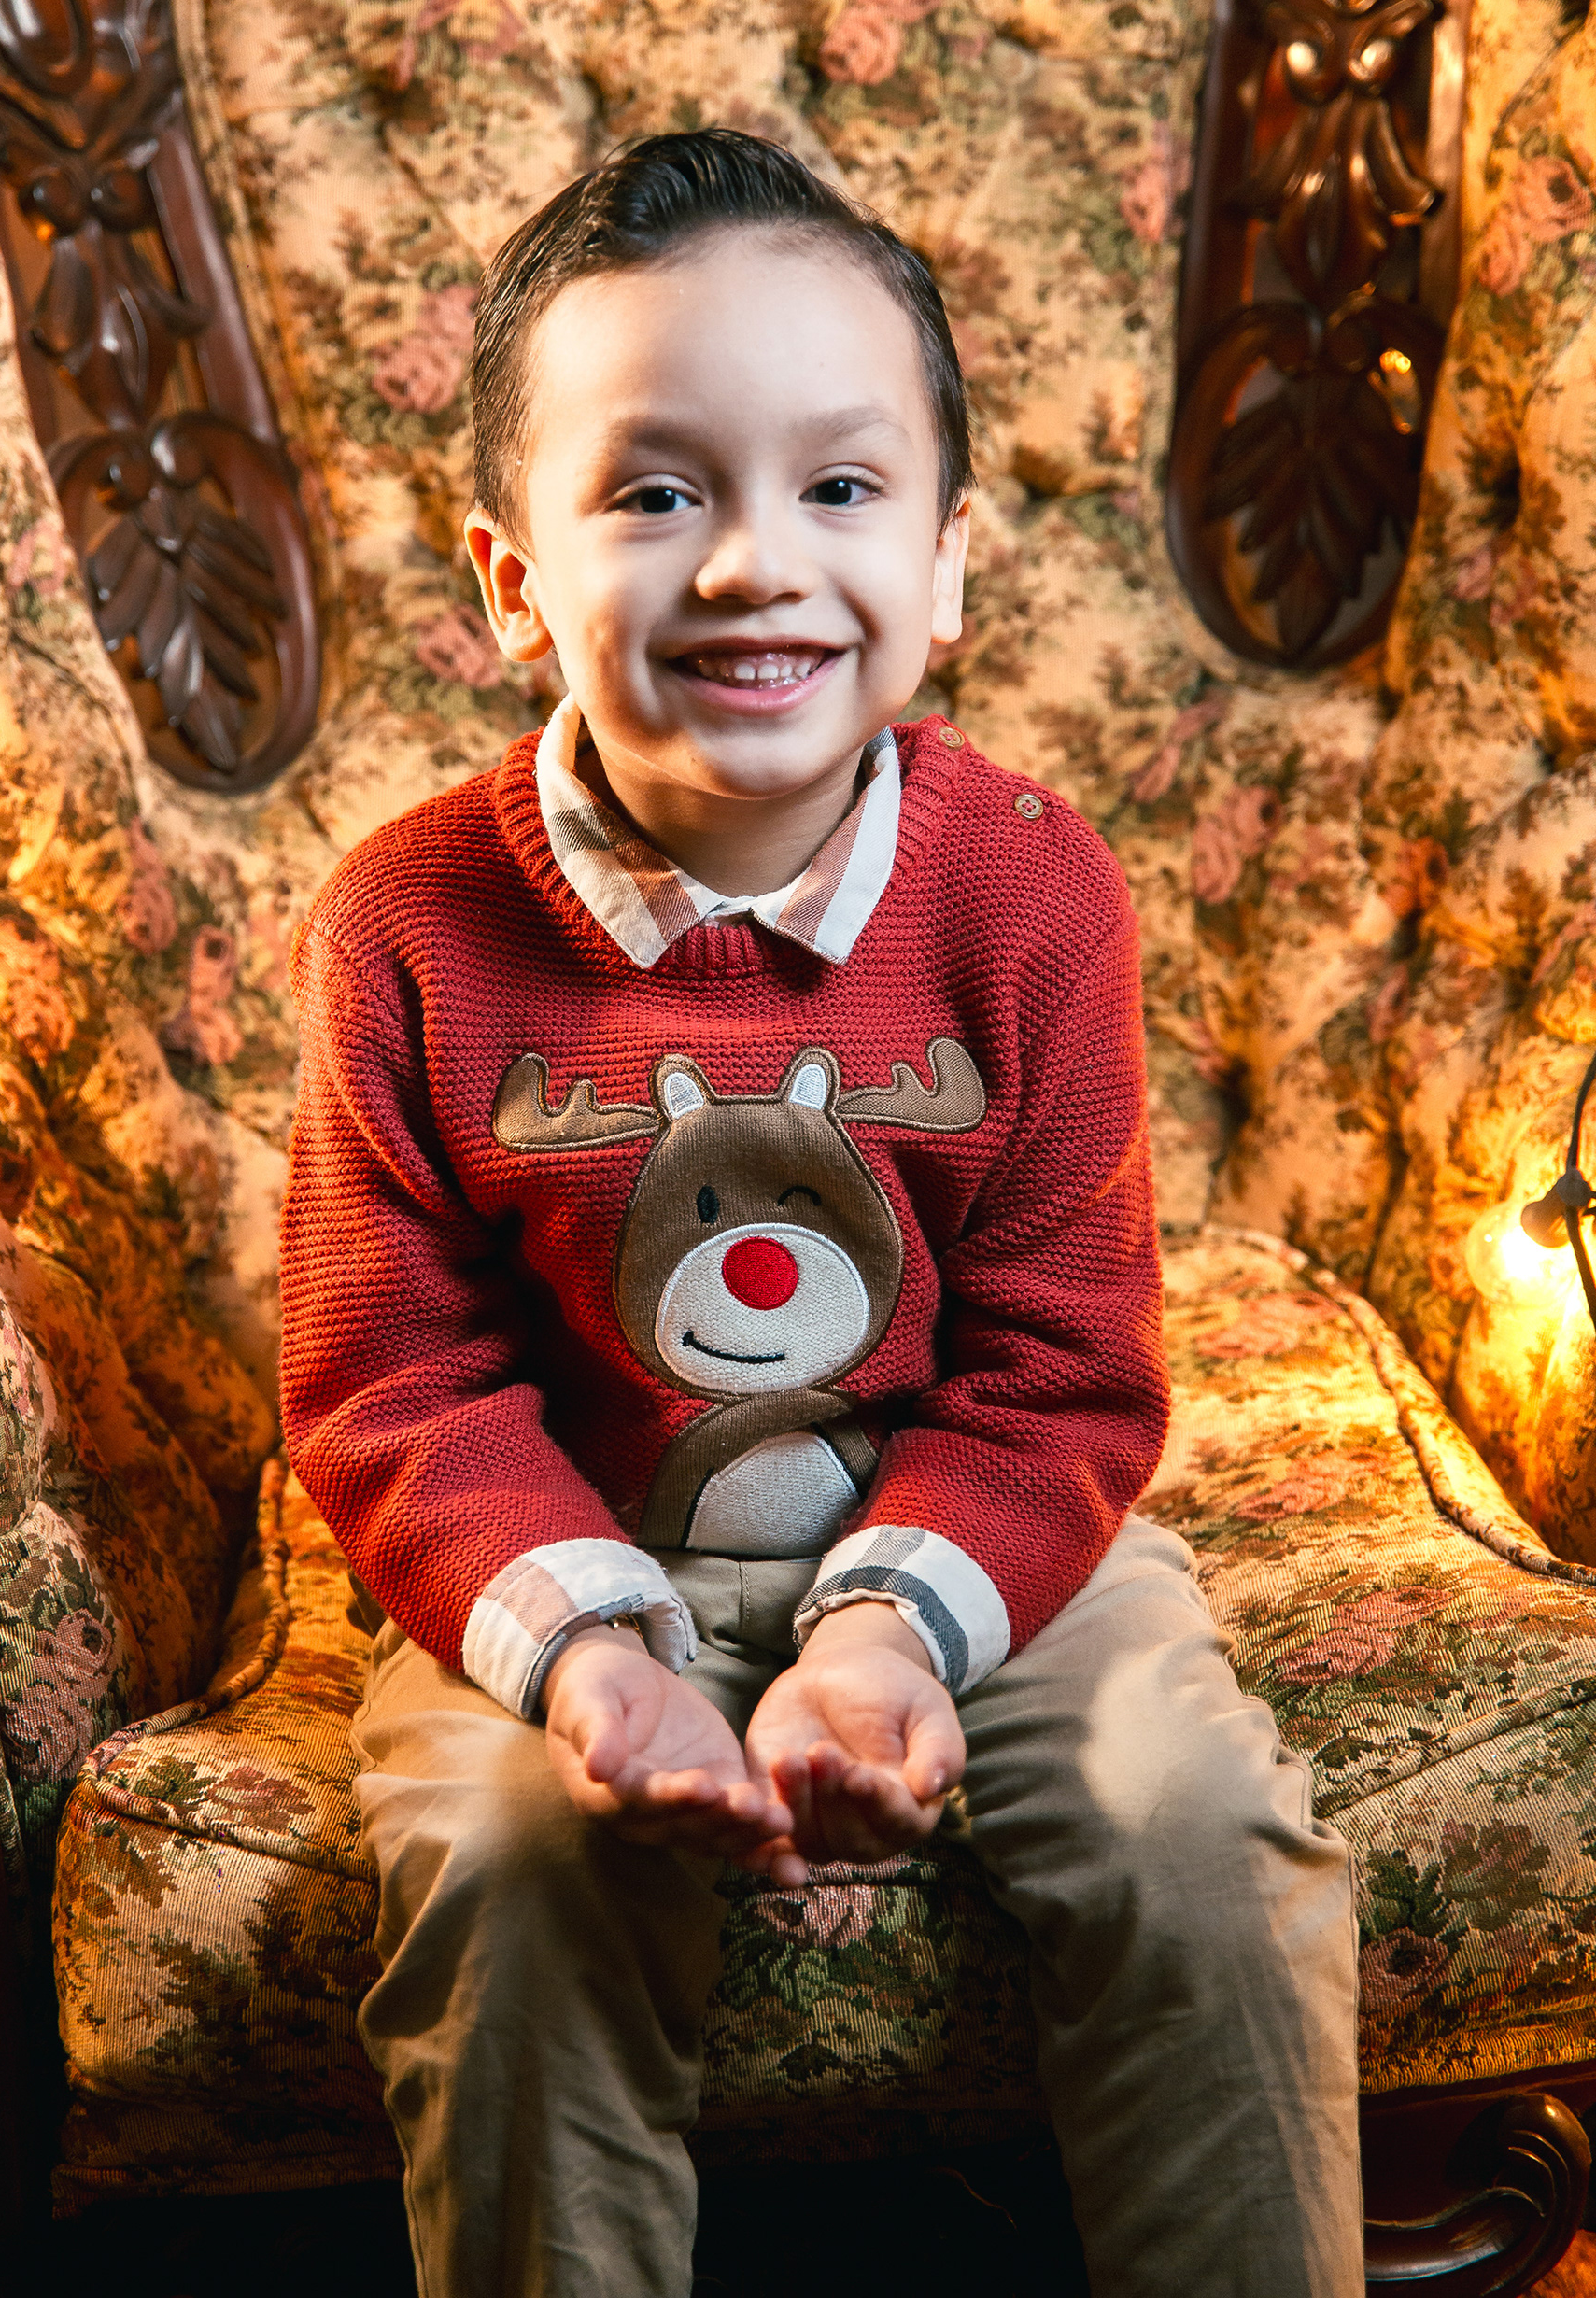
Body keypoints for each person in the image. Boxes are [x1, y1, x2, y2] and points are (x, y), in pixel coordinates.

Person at [279, 129, 1362, 2298]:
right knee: (503, 1869)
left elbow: (1061, 1369)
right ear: (512, 581)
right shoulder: (404, 923)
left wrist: (885, 1632)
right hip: (570, 1533)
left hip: (985, 1522)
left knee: (1193, 1832)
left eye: (840, 487)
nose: (756, 564)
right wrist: (594, 1659)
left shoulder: (1030, 890)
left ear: (948, 567)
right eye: (656, 493)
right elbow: (393, 1379)